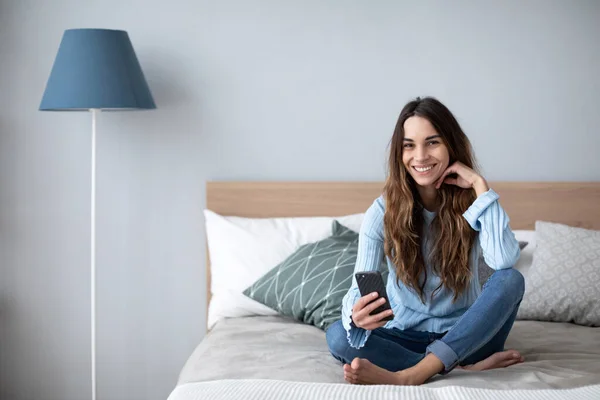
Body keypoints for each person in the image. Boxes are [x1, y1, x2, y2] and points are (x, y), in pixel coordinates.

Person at [326, 96, 525, 386]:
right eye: (409, 145)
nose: (420, 156)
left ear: (451, 145)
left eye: (432, 142)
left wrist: (481, 188)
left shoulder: (476, 203)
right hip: (406, 337)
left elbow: (503, 260)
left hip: (467, 337)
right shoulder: (382, 211)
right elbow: (359, 285)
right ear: (400, 152)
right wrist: (357, 316)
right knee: (337, 335)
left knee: (511, 279)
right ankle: (453, 370)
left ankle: (411, 375)